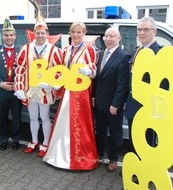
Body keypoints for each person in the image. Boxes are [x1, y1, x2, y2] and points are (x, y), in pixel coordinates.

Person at [43, 22, 98, 170]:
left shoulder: (89, 50)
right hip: (68, 91)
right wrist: (55, 83)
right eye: (73, 32)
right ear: (70, 33)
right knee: (63, 122)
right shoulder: (66, 50)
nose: (76, 35)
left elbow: (94, 70)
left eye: (79, 32)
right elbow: (61, 70)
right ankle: (60, 154)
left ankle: (80, 157)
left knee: (80, 124)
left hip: (81, 94)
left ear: (84, 33)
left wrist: (88, 71)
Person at [14, 14, 62, 157]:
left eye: (43, 33)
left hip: (45, 91)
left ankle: (45, 143)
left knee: (45, 117)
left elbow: (59, 70)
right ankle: (34, 141)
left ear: (47, 34)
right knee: (33, 116)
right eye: (38, 33)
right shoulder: (26, 48)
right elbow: (20, 69)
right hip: (30, 90)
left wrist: (52, 85)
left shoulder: (54, 50)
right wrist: (19, 87)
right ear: (33, 34)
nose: (40, 35)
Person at [94, 28, 131, 172]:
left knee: (115, 133)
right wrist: (93, 98)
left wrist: (116, 104)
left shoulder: (123, 56)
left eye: (112, 36)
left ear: (119, 38)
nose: (109, 39)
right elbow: (97, 79)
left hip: (113, 104)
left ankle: (114, 159)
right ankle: (99, 154)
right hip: (100, 101)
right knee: (101, 130)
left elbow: (122, 84)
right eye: (107, 36)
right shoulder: (100, 54)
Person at [124, 16, 162, 153]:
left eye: (146, 29)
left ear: (155, 32)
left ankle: (147, 172)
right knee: (134, 139)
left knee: (148, 142)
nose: (141, 33)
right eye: (139, 29)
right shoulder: (137, 51)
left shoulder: (160, 53)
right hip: (133, 105)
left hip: (149, 107)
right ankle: (136, 169)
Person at [0, 18, 22, 151]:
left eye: (11, 35)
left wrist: (17, 84)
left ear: (15, 36)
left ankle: (16, 139)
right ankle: (3, 139)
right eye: (6, 35)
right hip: (1, 89)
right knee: (2, 117)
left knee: (17, 116)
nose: (9, 37)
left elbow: (26, 70)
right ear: (3, 36)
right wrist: (0, 84)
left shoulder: (21, 50)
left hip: (16, 90)